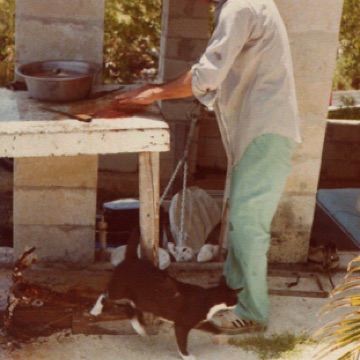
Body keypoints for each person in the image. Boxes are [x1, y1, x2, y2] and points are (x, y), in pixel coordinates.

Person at [116, 0, 301, 334]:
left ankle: (254, 313)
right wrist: (159, 91)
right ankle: (232, 293)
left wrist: (150, 93)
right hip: (257, 130)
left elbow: (205, 76)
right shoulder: (245, 6)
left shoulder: (240, 8)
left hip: (265, 131)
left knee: (247, 226)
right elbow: (209, 74)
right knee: (241, 222)